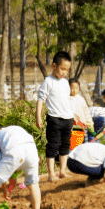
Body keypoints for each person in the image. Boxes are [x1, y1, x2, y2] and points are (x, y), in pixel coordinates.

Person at [35, 51, 74, 180]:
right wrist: (38, 117)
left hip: (68, 118)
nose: (64, 72)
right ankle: (51, 174)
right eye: (62, 69)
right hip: (54, 118)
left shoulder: (65, 83)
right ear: (54, 66)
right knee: (53, 145)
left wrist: (73, 116)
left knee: (65, 145)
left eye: (67, 70)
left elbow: (66, 101)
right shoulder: (48, 82)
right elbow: (40, 100)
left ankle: (62, 171)